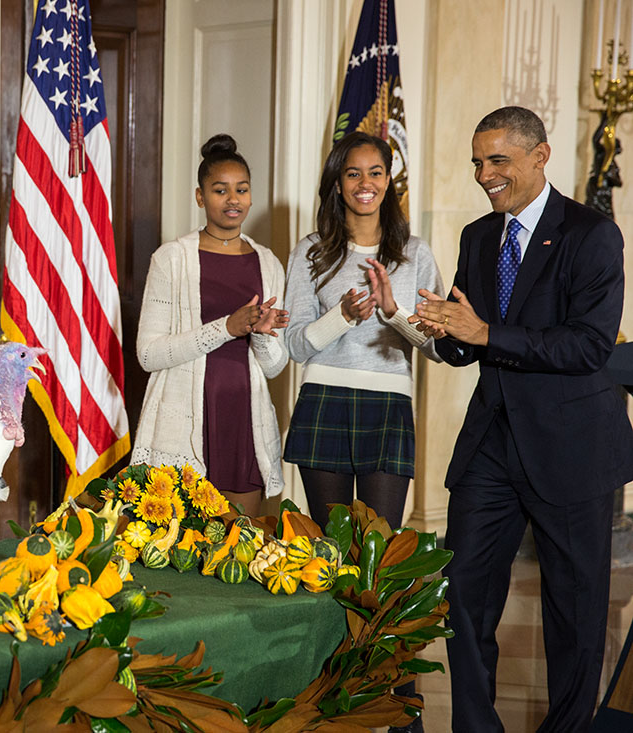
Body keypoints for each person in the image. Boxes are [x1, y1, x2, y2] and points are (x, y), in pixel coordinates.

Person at [411, 106, 633, 732]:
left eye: (498, 160)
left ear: (540, 156)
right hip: (492, 443)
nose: (484, 174)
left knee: (575, 612)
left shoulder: (592, 234)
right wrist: (443, 330)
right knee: (462, 594)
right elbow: (468, 340)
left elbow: (588, 346)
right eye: (478, 162)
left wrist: (486, 332)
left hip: (571, 447)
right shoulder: (480, 237)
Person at [283, 131, 443, 532]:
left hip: (389, 403)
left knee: (382, 546)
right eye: (353, 174)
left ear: (389, 180)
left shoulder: (415, 253)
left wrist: (393, 313)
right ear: (338, 183)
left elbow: (439, 349)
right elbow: (296, 345)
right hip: (324, 399)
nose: (365, 184)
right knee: (330, 547)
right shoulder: (310, 250)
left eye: (375, 173)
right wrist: (342, 317)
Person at [132, 134, 288, 517]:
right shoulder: (171, 259)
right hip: (183, 418)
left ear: (251, 197)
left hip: (243, 420)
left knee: (240, 549)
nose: (232, 199)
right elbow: (148, 354)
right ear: (201, 197)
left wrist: (264, 336)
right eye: (220, 190)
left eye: (241, 190)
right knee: (176, 552)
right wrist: (227, 328)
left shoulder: (267, 263)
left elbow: (274, 366)